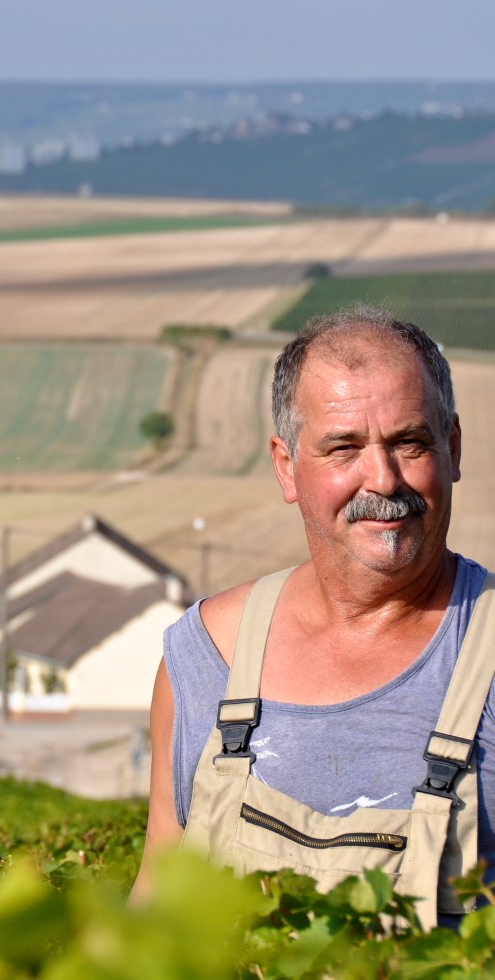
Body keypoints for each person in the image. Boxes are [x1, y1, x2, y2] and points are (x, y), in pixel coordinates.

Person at [131, 305, 494, 930]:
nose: (382, 478)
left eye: (410, 442)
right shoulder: (206, 656)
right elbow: (156, 902)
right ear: (285, 466)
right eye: (343, 448)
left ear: (453, 448)